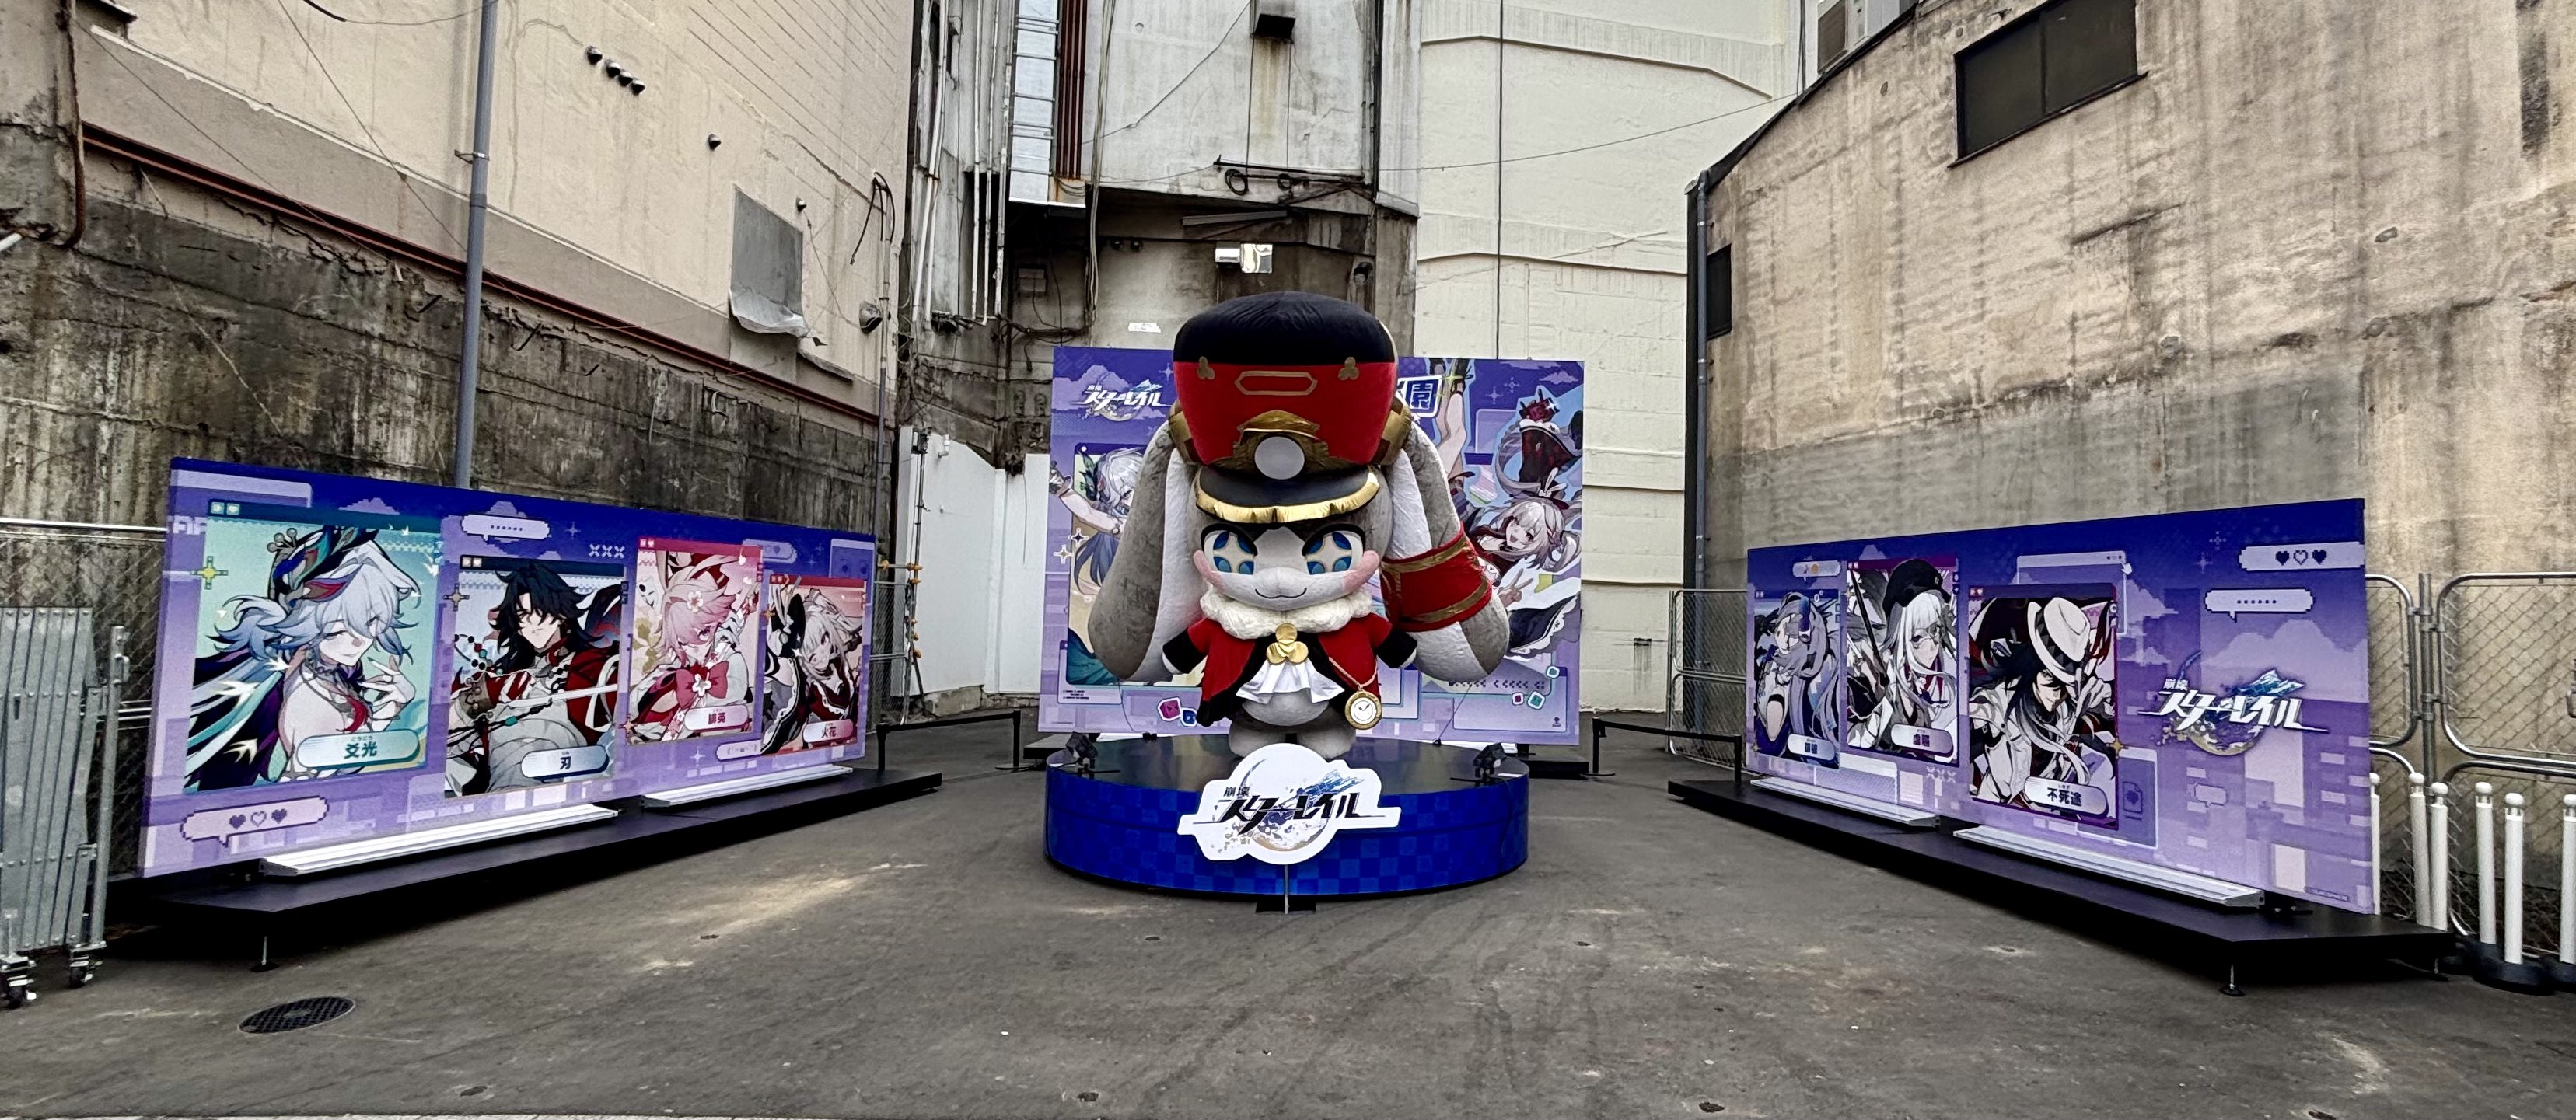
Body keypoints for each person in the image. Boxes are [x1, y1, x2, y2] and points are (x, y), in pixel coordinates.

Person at [187, 525, 421, 790]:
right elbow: (297, 789)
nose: (360, 640)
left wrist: (394, 705)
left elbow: (353, 746)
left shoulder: (327, 671)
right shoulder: (309, 699)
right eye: (338, 629)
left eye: (372, 621)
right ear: (304, 622)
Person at [446, 561, 621, 795]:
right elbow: (445, 741)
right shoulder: (500, 676)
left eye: (539, 612)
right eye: (523, 615)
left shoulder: (593, 667)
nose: (532, 624)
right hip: (496, 795)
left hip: (567, 795)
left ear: (560, 614)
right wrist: (482, 697)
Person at [1967, 595, 2119, 813]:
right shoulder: (1999, 701)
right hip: (1995, 811)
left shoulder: (2072, 703)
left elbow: (2114, 709)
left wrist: (2111, 707)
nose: (2058, 695)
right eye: (2050, 679)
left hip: (2047, 816)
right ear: (2033, 667)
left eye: (2066, 685)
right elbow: (1968, 721)